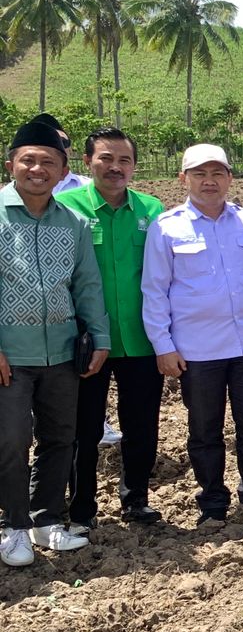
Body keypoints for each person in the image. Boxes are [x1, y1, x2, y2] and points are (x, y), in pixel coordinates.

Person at [141, 145, 243, 528]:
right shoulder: (167, 227)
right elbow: (154, 291)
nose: (209, 181)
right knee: (205, 430)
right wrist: (163, 346)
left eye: (217, 173)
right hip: (197, 350)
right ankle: (212, 501)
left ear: (230, 179)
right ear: (183, 179)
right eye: (199, 174)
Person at [0, 120, 111, 565]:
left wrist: (99, 336)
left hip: (63, 353)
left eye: (48, 161)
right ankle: (13, 526)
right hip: (11, 355)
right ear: (11, 165)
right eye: (28, 160)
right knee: (10, 440)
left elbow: (87, 286)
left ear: (64, 170)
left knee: (59, 438)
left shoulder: (75, 222)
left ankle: (47, 521)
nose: (37, 169)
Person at [53, 127, 166, 530]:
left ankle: (136, 499)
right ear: (87, 163)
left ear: (134, 167)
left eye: (124, 160)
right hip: (83, 343)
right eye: (106, 159)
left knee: (141, 425)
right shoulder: (64, 209)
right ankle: (81, 507)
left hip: (140, 339)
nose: (115, 168)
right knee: (82, 429)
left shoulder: (152, 211)